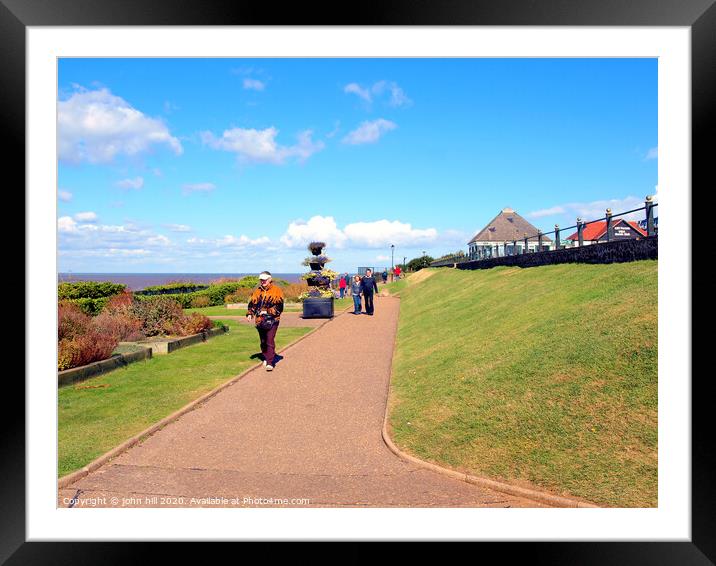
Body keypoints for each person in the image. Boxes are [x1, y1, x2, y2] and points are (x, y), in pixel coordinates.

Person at [246, 271, 284, 371]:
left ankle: (270, 362)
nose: (262, 281)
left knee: (269, 339)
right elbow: (252, 304)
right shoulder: (257, 291)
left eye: (264, 279)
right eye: (261, 280)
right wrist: (250, 313)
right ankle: (267, 356)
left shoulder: (277, 290)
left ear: (270, 279)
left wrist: (266, 311)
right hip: (259, 320)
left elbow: (280, 307)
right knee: (263, 341)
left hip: (273, 320)